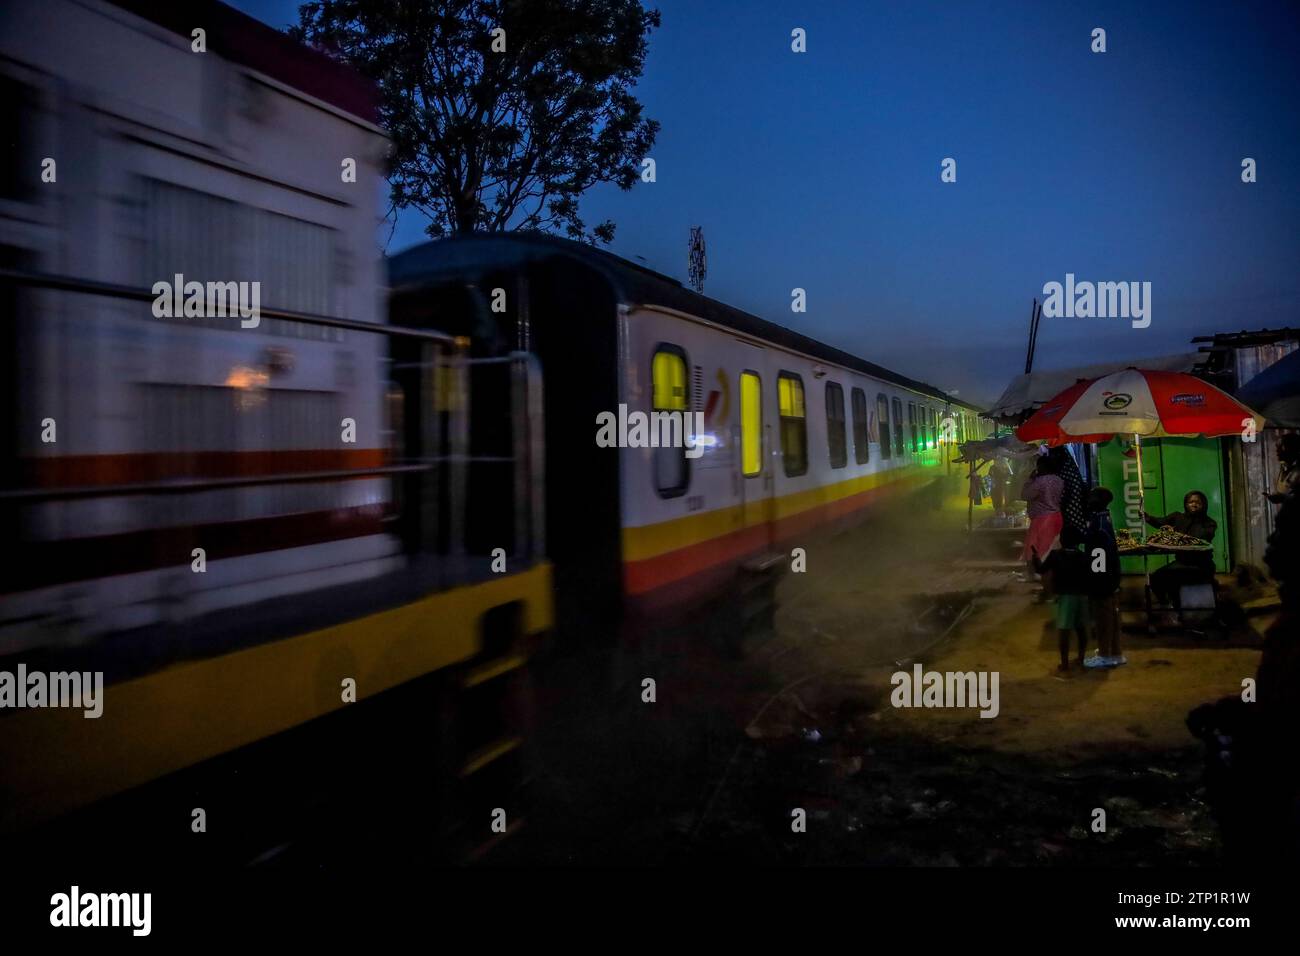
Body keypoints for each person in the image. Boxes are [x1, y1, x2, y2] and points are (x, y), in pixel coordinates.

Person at [1144, 490, 1217, 613]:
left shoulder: (1209, 523)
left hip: (1201, 565)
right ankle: (1166, 604)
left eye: (1198, 502)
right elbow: (1160, 522)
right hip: (1182, 562)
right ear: (1186, 504)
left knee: (1178, 579)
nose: (1194, 505)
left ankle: (1184, 610)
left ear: (1204, 505)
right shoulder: (1177, 517)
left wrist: (1178, 535)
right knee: (1156, 578)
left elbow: (1201, 536)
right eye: (1191, 502)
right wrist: (1148, 518)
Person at [1032, 529, 1090, 672]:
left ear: (1062, 542)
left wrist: (1035, 558)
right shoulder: (1083, 557)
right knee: (1081, 630)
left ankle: (1064, 665)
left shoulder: (1055, 555)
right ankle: (1081, 659)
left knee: (1064, 632)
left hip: (1064, 597)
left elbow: (1040, 570)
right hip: (1082, 596)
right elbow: (1090, 576)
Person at [1081, 487, 1124, 667]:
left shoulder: (1097, 524)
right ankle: (1115, 652)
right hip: (1111, 576)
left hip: (1102, 579)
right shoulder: (1105, 518)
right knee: (1112, 616)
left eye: (1091, 497)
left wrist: (1096, 581)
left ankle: (1105, 655)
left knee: (1103, 617)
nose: (1088, 500)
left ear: (1098, 500)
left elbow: (1098, 555)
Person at [1020, 454, 1064, 570]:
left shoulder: (1039, 481)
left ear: (1043, 466)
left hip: (1042, 519)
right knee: (1051, 546)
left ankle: (1039, 573)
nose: (1037, 468)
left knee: (1036, 548)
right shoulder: (1058, 480)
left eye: (1038, 466)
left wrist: (1029, 480)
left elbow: (1025, 495)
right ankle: (1052, 573)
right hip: (1057, 517)